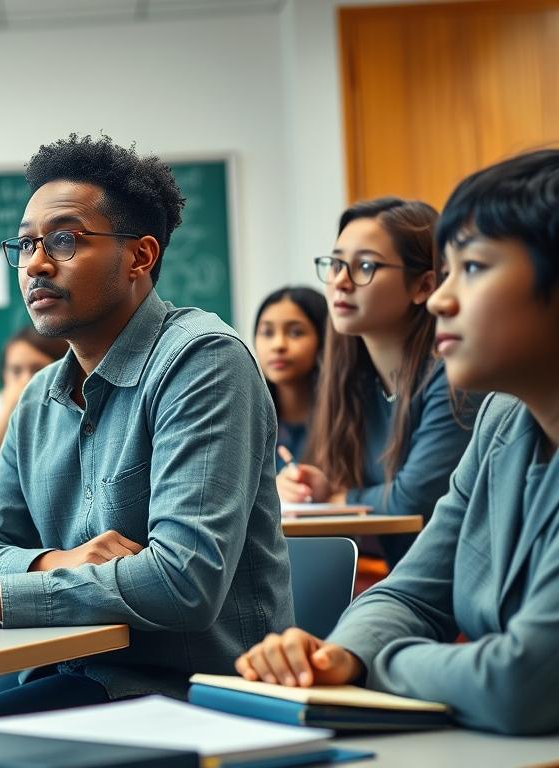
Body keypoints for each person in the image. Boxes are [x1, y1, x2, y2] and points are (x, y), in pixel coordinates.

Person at [0, 134, 292, 721]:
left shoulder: (202, 362)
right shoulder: (38, 398)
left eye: (65, 240)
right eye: (26, 244)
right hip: (63, 665)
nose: (36, 264)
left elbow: (184, 582)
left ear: (140, 257)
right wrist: (57, 562)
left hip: (186, 689)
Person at [236, 149, 559, 736]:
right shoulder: (503, 420)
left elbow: (521, 683)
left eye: (474, 268)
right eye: (447, 271)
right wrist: (340, 655)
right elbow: (411, 593)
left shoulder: (465, 398)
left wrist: (372, 664)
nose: (441, 300)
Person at [279, 198, 479, 566]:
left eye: (366, 266)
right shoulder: (353, 379)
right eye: (336, 264)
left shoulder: (455, 376)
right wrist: (317, 488)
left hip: (458, 582)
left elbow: (412, 500)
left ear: (424, 285)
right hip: (404, 576)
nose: (341, 281)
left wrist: (338, 498)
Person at [0, 326, 68, 489]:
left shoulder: (70, 407)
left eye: (37, 369)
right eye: (16, 371)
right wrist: (8, 409)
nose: (25, 380)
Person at [252, 287, 327, 470]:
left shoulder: (349, 420)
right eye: (267, 333)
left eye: (295, 332)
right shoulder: (247, 420)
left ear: (325, 339)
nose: (278, 345)